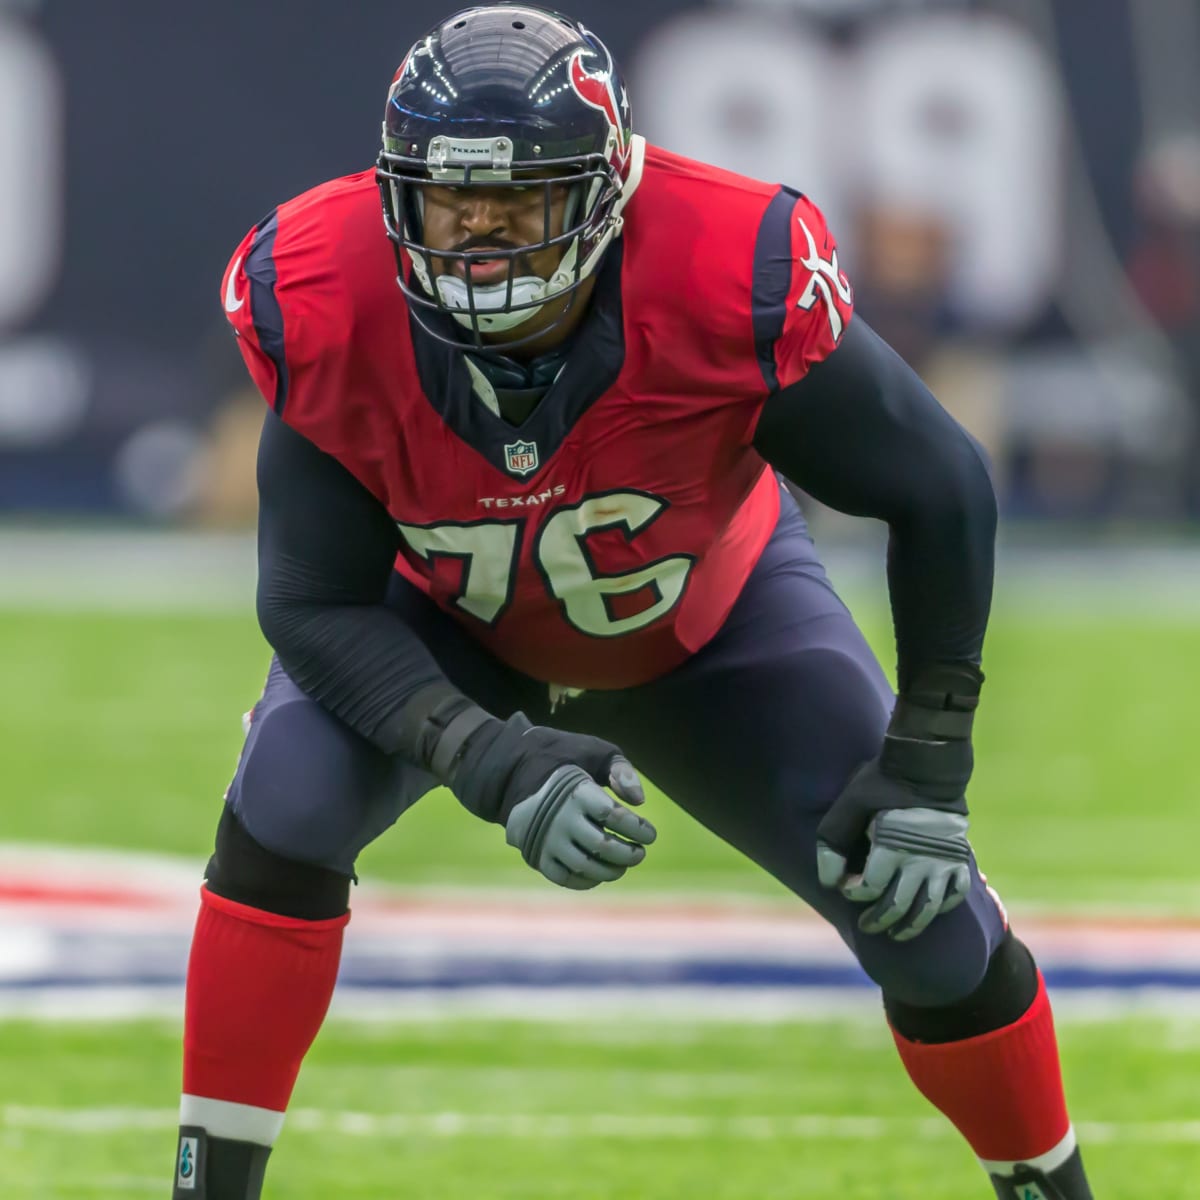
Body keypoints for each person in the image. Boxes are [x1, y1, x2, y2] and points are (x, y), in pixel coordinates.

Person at [171, 5, 1095, 1198]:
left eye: (521, 206)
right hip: (445, 622)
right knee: (288, 798)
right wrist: (485, 756)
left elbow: (941, 489)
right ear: (400, 200)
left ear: (606, 194)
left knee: (927, 920)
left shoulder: (726, 267)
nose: (482, 245)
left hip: (711, 623)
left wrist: (928, 762)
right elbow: (311, 603)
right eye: (453, 208)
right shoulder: (322, 289)